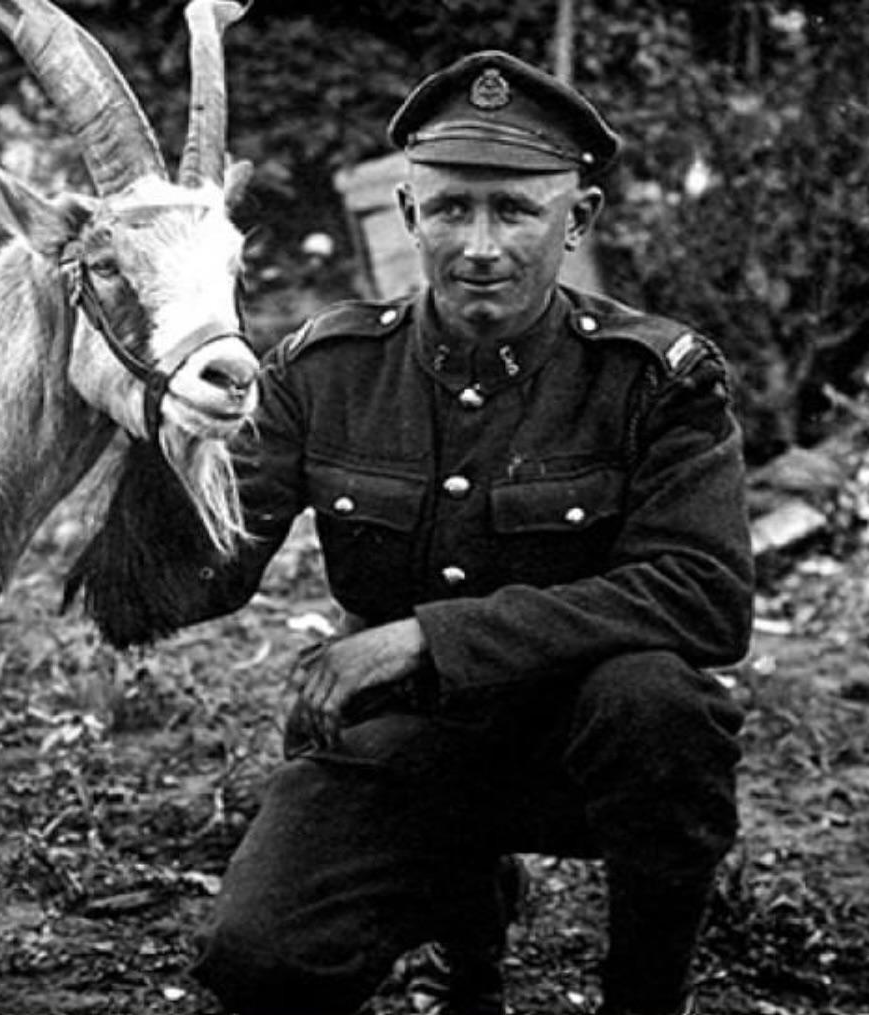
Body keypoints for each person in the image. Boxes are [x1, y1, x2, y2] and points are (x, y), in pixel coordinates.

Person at [181, 50, 753, 1015]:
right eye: (449, 209)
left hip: (585, 745)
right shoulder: (325, 370)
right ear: (407, 217)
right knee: (257, 962)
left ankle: (646, 992)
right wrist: (139, 437)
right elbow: (210, 564)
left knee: (658, 701)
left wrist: (422, 637)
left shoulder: (652, 377)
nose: (478, 246)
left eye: (514, 211)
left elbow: (704, 595)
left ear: (577, 222)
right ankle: (462, 918)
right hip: (409, 740)